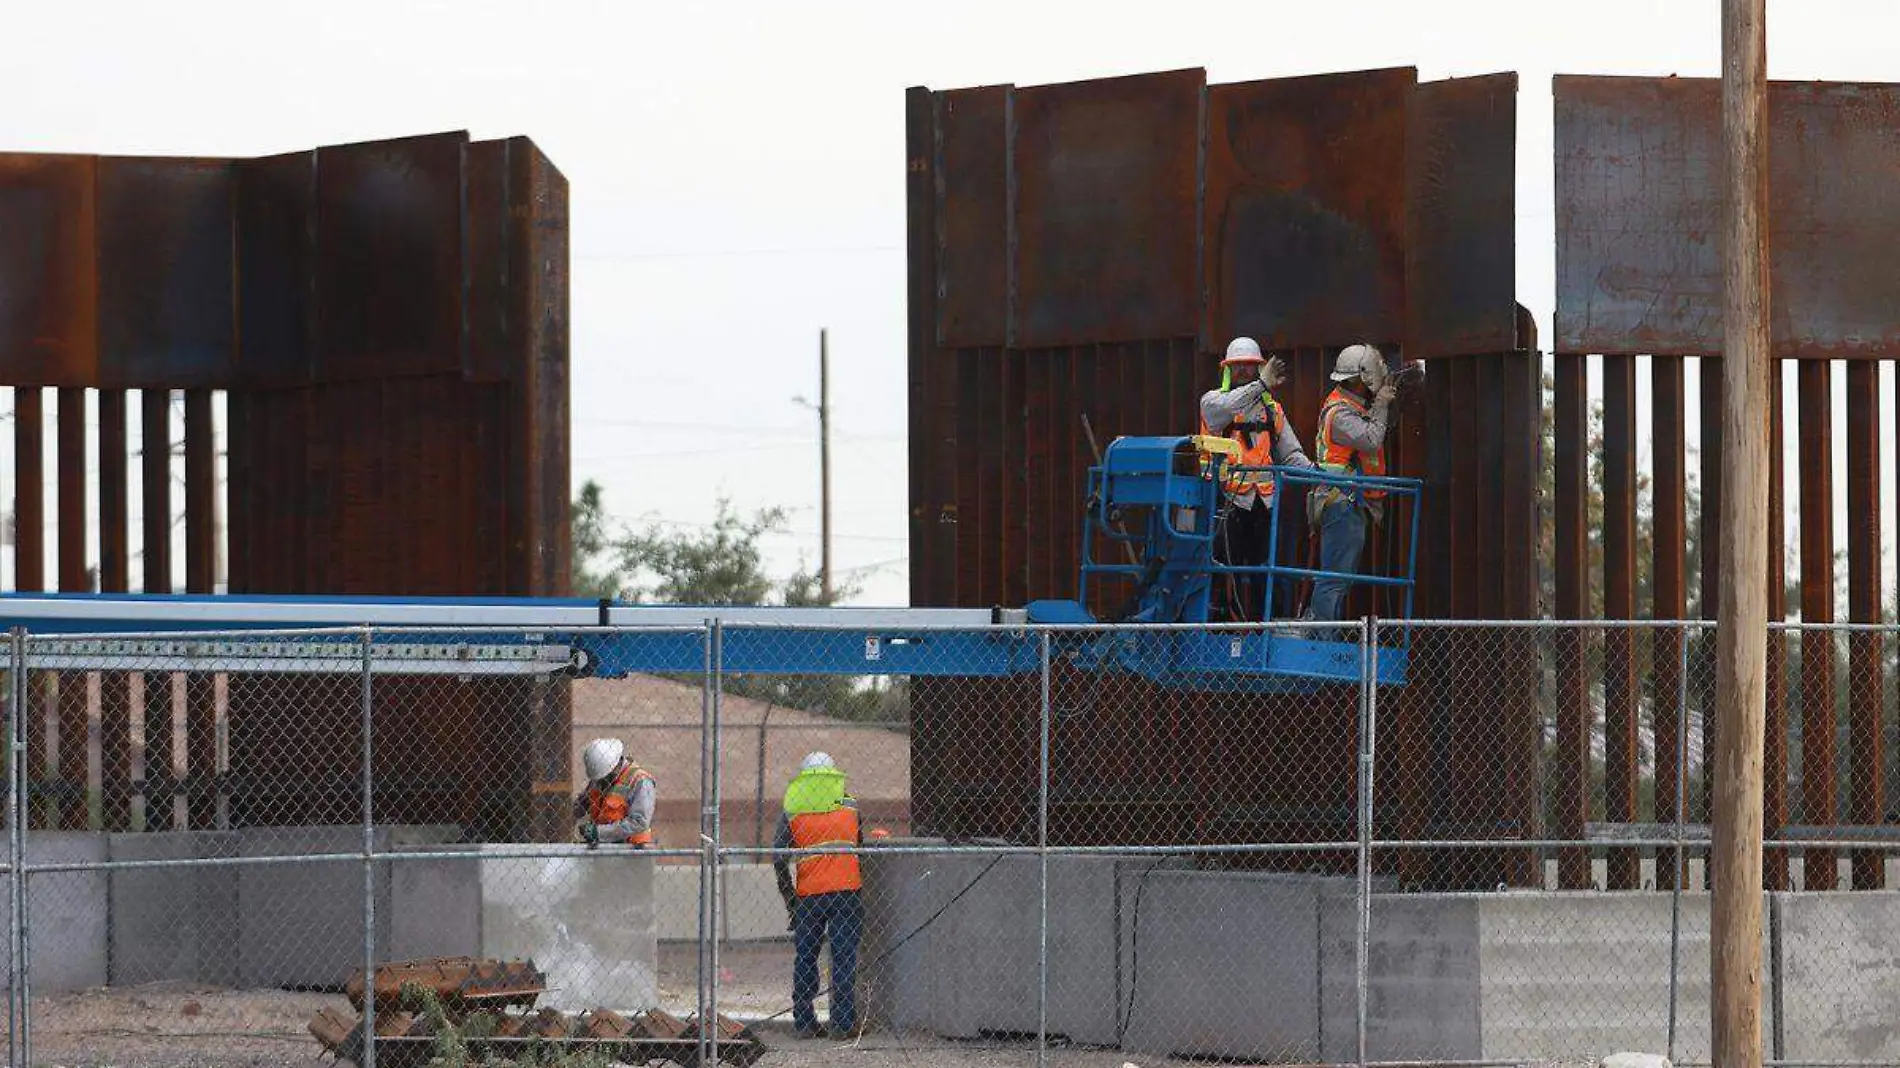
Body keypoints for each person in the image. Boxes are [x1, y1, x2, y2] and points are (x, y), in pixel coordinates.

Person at [1198, 336, 1314, 621]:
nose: (1243, 372)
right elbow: (1225, 411)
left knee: (1266, 572)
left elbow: (1291, 454)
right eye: (1238, 366)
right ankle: (1223, 632)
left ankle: (1264, 632)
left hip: (1264, 503)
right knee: (1226, 570)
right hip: (1226, 500)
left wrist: (1318, 473)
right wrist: (1260, 385)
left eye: (1250, 367)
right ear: (1226, 369)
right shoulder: (1214, 402)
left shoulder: (1272, 410)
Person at [773, 752, 864, 1039]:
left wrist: (790, 898)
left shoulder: (792, 810)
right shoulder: (850, 804)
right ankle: (842, 1023)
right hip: (847, 891)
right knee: (844, 957)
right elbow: (859, 844)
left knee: (806, 957)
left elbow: (778, 857)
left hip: (809, 895)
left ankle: (804, 1022)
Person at [1307, 343, 1396, 627]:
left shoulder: (1349, 407)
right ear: (1362, 378)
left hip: (1346, 501)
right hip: (1340, 501)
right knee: (1335, 579)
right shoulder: (1342, 414)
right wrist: (1382, 404)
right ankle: (1323, 639)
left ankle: (1324, 635)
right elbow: (1370, 440)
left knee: (1340, 578)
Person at [573, 738, 656, 849]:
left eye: (605, 777)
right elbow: (582, 804)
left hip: (632, 852)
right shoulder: (599, 778)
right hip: (601, 851)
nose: (601, 781)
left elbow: (639, 822)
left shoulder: (640, 781)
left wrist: (598, 832)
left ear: (615, 767)